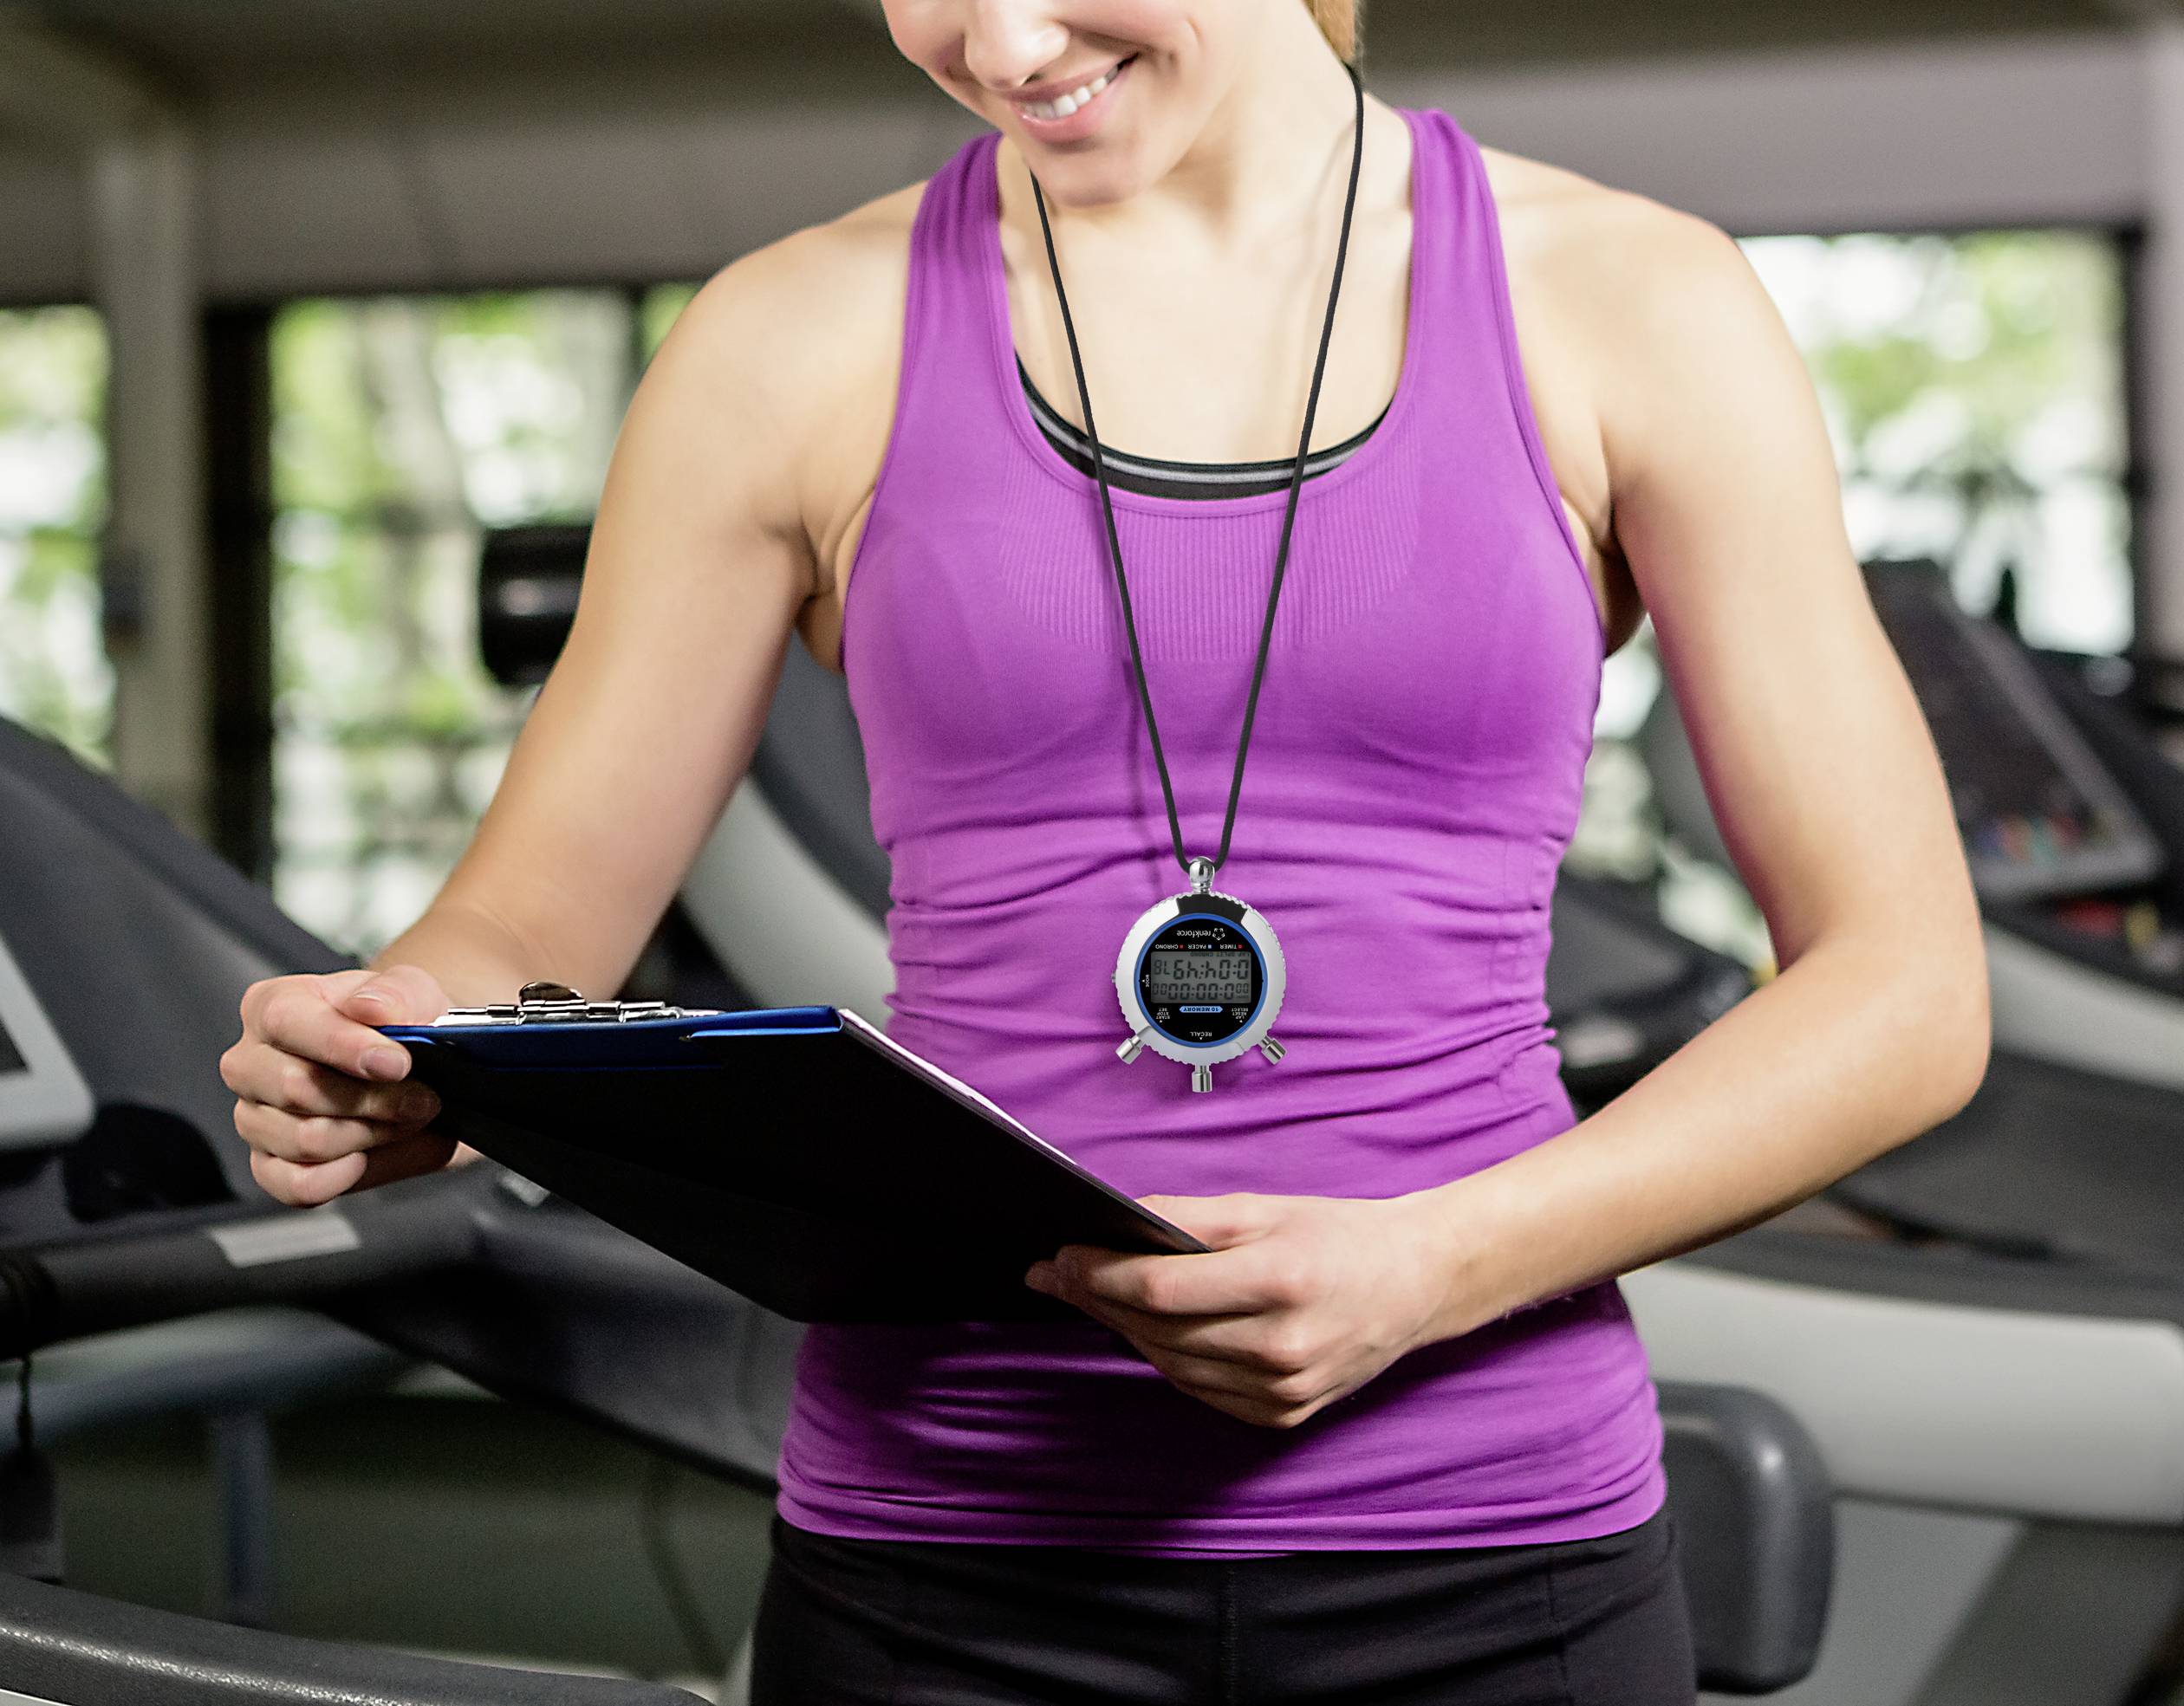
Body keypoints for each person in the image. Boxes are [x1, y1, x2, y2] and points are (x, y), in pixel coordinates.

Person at [220, 0, 1991, 1699]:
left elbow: (1902, 990)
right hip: (946, 1558)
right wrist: (402, 1039)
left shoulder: (1625, 299)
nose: (995, 46)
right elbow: (531, 926)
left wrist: (1434, 1265)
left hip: (1487, 1542)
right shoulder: (788, 338)